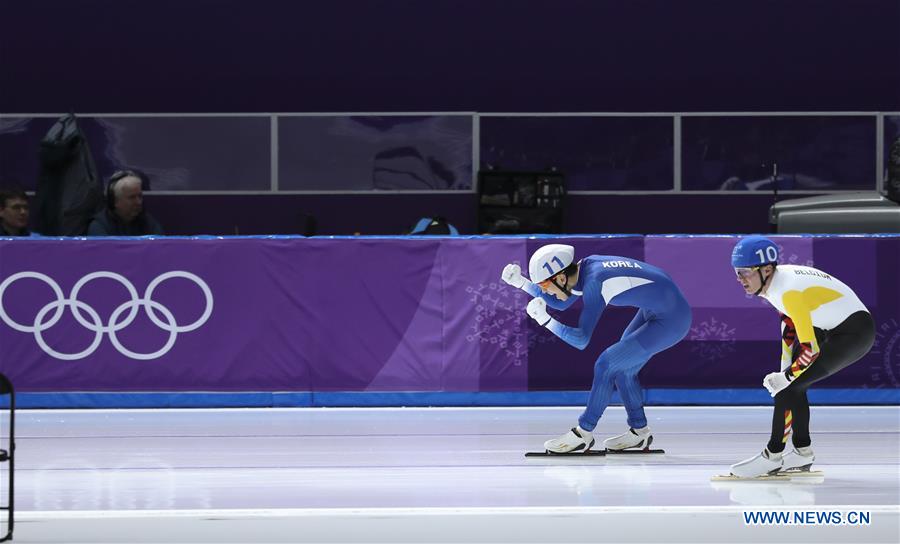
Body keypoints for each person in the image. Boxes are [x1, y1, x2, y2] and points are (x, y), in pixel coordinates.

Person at [501, 244, 692, 453]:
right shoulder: (582, 270)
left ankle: (583, 434)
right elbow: (561, 303)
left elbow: (581, 339)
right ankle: (639, 432)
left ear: (561, 277)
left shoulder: (595, 282)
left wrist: (545, 320)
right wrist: (521, 283)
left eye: (545, 285)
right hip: (659, 309)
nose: (544, 291)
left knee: (606, 364)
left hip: (673, 319)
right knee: (622, 369)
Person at [728, 236, 874, 478]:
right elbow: (789, 322)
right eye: (737, 272)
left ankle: (773, 456)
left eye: (744, 272)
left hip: (853, 333)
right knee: (791, 387)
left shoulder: (787, 290)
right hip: (827, 324)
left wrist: (786, 376)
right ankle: (801, 452)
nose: (739, 279)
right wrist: (784, 367)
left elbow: (811, 349)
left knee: (790, 387)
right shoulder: (773, 282)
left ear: (766, 269)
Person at [86, 170, 163, 236]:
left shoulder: (149, 223)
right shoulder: (99, 227)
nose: (139, 202)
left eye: (140, 196)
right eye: (132, 197)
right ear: (115, 201)